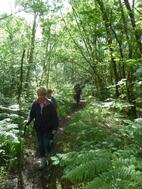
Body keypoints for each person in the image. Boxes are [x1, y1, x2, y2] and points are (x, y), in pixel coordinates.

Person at [24, 87, 59, 168]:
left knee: (46, 143)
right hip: (38, 128)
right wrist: (27, 121)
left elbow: (54, 117)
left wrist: (55, 128)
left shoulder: (50, 104)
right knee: (40, 144)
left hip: (48, 128)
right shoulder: (35, 103)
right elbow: (31, 114)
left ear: (45, 95)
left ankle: (49, 152)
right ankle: (43, 160)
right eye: (39, 95)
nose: (41, 97)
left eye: (42, 95)